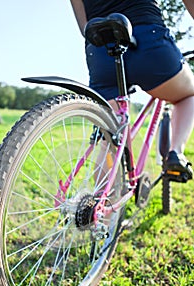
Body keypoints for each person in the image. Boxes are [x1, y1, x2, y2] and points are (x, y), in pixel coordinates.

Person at [70, 0, 194, 180]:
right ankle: (176, 153)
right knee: (188, 94)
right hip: (148, 40)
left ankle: (97, 203)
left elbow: (84, 25)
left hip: (100, 48)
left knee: (111, 139)